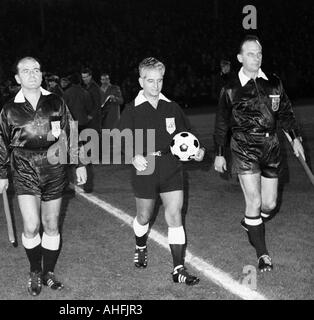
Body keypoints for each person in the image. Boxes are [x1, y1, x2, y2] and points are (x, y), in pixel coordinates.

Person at [0, 56, 87, 296]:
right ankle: (35, 270)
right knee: (32, 225)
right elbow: (1, 141)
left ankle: (49, 273)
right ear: (17, 78)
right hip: (24, 167)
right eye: (26, 71)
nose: (32, 74)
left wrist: (78, 164)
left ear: (41, 74)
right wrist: (1, 172)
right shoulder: (9, 108)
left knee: (51, 224)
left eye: (36, 70)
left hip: (54, 167)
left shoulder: (56, 101)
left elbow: (70, 132)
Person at [213, 35, 305, 272]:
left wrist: (295, 139)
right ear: (240, 58)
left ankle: (250, 221)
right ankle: (263, 255)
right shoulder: (230, 88)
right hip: (244, 147)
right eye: (251, 53)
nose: (257, 57)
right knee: (253, 201)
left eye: (259, 53)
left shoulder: (273, 82)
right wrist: (220, 152)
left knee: (270, 204)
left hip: (272, 147)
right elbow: (222, 123)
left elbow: (285, 113)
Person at [116, 57, 205, 285]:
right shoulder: (131, 109)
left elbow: (188, 136)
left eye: (159, 81)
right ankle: (140, 244)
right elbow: (117, 140)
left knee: (175, 215)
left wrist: (198, 151)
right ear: (141, 81)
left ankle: (178, 269)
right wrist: (132, 156)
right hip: (145, 167)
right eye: (150, 81)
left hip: (171, 166)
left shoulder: (172, 107)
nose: (155, 86)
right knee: (144, 215)